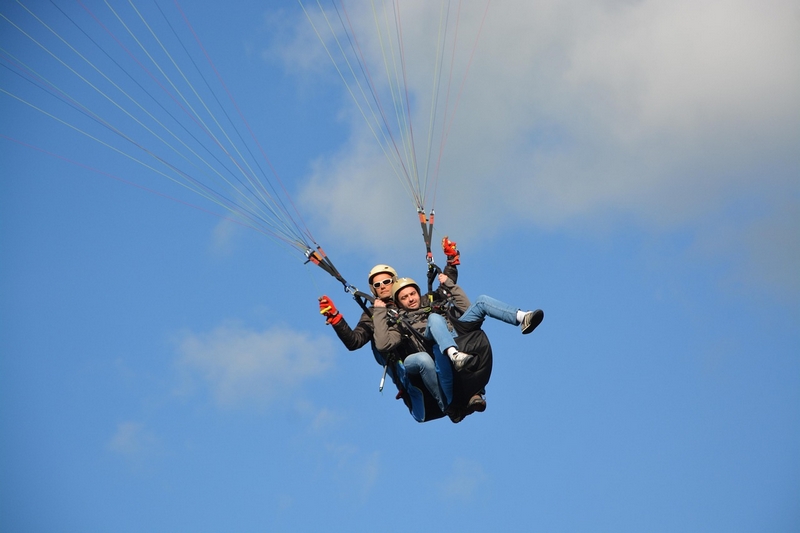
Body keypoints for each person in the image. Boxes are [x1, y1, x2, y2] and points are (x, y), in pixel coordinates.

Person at [373, 274, 544, 421]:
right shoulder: (399, 324)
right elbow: (382, 344)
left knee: (481, 301)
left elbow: (465, 308)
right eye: (404, 297)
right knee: (434, 321)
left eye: (412, 294)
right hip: (432, 355)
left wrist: (449, 283)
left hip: (455, 340)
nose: (411, 299)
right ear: (399, 302)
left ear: (418, 293)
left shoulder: (432, 307)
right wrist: (379, 313)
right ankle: (454, 357)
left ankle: (523, 317)